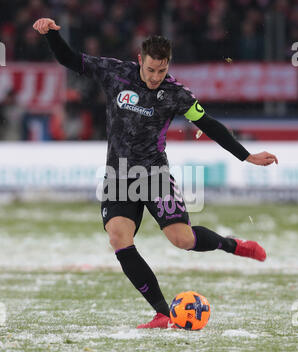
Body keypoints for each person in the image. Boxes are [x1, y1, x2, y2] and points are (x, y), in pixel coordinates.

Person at [33, 18, 278, 329]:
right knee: (118, 237)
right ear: (140, 61)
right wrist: (52, 34)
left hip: (154, 175)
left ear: (168, 66)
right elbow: (69, 59)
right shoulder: (115, 72)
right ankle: (163, 312)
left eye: (161, 71)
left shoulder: (176, 94)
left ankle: (233, 245)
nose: (155, 77)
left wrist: (246, 156)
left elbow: (209, 125)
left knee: (183, 240)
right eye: (150, 70)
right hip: (118, 175)